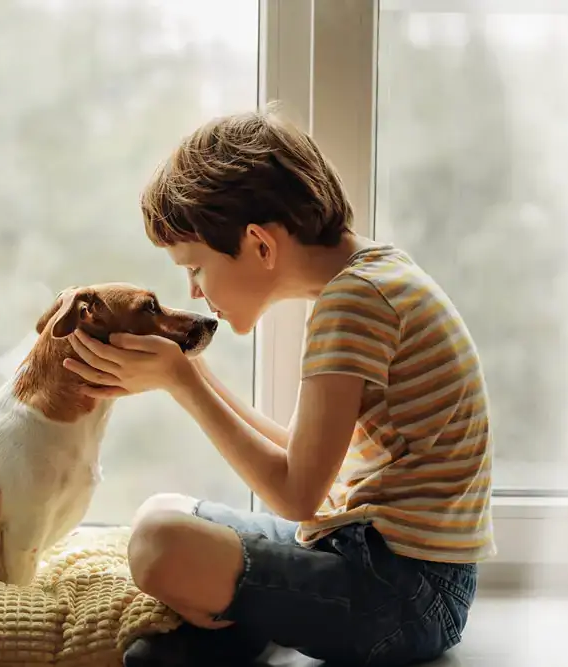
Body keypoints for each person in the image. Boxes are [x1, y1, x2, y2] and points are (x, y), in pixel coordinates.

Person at [62, 108, 494, 666]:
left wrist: (184, 382)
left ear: (260, 246)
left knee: (158, 541)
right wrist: (189, 375)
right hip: (380, 559)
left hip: (405, 593)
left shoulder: (354, 304)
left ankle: (239, 622)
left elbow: (296, 497)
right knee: (166, 510)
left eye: (194, 267)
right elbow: (305, 462)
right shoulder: (375, 277)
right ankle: (246, 621)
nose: (193, 291)